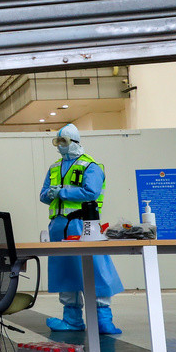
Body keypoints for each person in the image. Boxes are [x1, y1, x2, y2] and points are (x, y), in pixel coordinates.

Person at [41, 124, 124, 335]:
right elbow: (44, 195)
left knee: (96, 270)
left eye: (64, 142)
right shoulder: (53, 168)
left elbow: (91, 192)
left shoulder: (91, 166)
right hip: (58, 227)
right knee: (65, 272)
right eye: (57, 142)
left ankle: (103, 318)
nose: (60, 146)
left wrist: (63, 192)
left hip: (84, 225)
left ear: (75, 142)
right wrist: (50, 194)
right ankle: (72, 319)